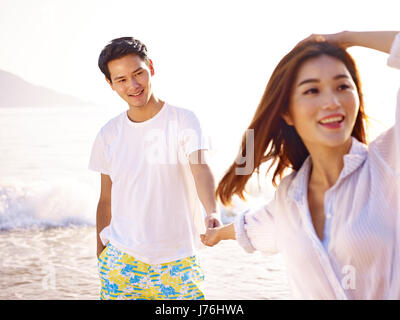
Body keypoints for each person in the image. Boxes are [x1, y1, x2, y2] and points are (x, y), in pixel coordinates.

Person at [201, 31, 400, 299]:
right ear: (287, 112)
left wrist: (347, 37)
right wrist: (215, 235)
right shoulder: (288, 197)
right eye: (312, 90)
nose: (332, 102)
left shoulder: (389, 163)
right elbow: (249, 226)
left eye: (343, 86)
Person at [88, 37, 221, 300]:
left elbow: (200, 168)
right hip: (122, 261)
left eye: (138, 74)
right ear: (110, 84)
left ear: (151, 67)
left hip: (178, 260)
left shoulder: (183, 119)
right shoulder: (108, 134)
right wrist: (101, 253)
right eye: (121, 79)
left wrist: (212, 211)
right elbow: (106, 199)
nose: (133, 85)